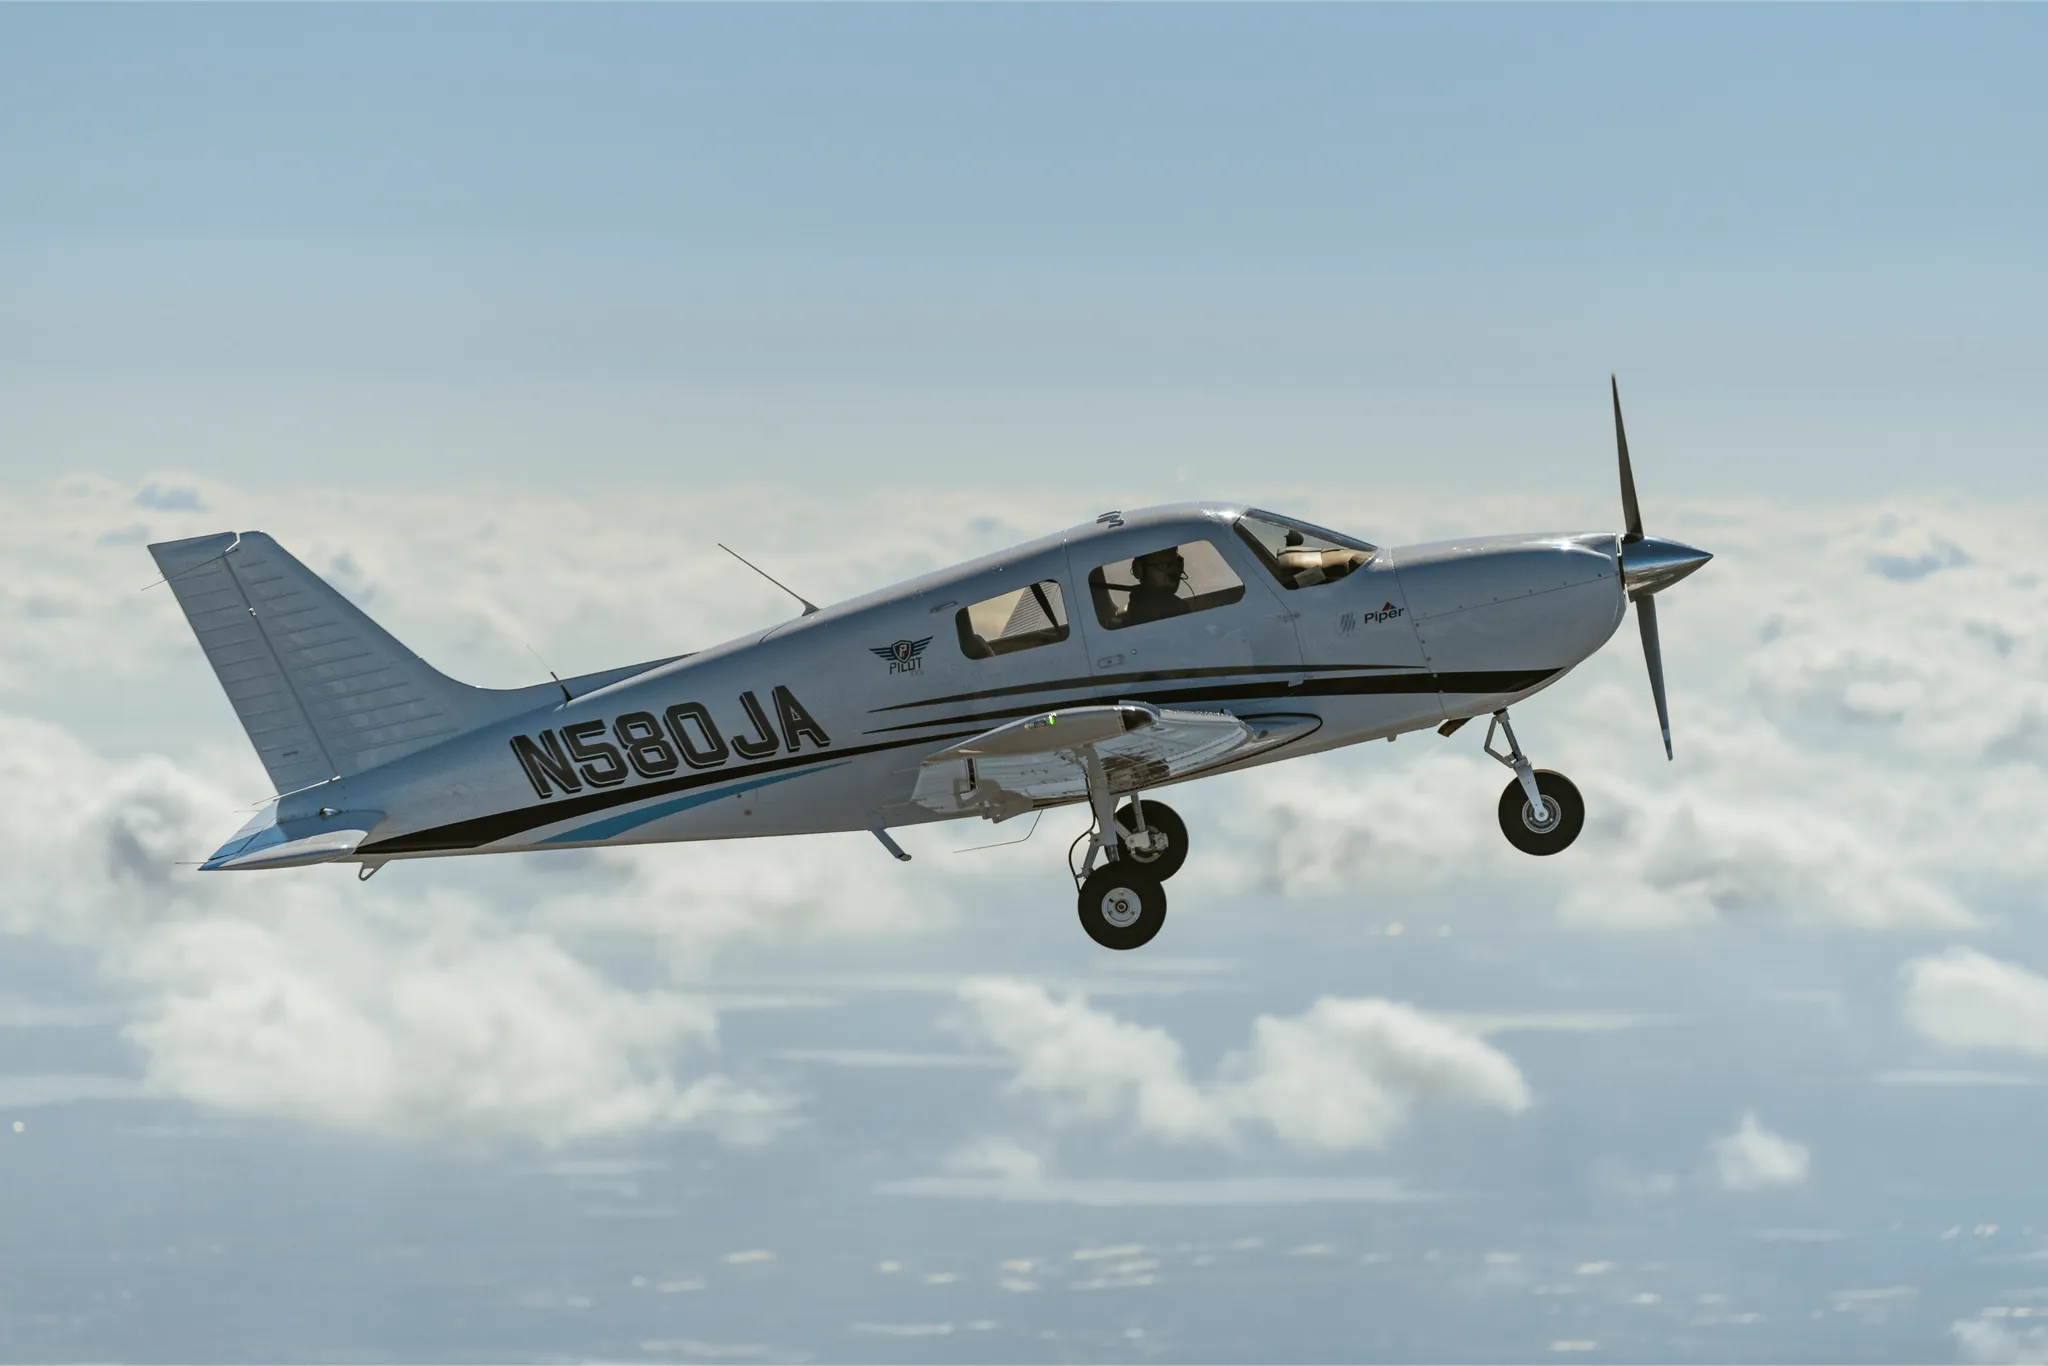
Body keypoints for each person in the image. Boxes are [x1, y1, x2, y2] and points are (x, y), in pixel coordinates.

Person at [1122, 547, 1189, 625]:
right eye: (1162, 564)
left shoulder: (1137, 604)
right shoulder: (1176, 609)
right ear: (1139, 569)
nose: (1174, 570)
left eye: (1177, 562)